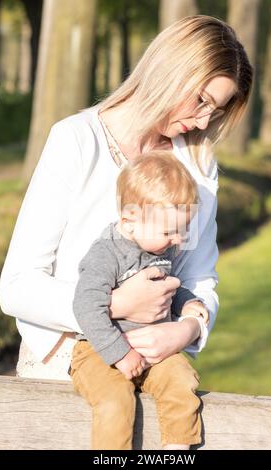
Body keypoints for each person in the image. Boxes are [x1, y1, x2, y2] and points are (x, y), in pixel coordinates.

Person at [0, 16, 252, 388]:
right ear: (170, 70)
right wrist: (114, 306)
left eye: (214, 111)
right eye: (201, 100)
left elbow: (199, 279)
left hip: (150, 371)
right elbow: (17, 286)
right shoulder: (76, 139)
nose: (202, 121)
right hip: (60, 370)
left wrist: (187, 330)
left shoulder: (198, 166)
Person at [71, 151, 209, 450]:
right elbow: (85, 305)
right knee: (115, 401)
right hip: (99, 349)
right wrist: (120, 354)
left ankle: (176, 449)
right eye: (169, 231)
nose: (178, 240)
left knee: (182, 379)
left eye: (182, 230)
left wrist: (187, 304)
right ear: (130, 220)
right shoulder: (106, 253)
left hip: (150, 354)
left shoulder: (161, 249)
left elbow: (169, 289)